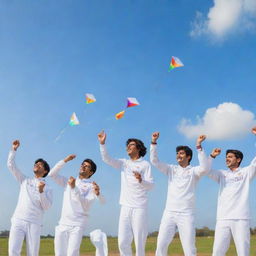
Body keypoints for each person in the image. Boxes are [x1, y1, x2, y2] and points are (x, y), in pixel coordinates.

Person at [150, 132, 209, 256]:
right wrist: (154, 142)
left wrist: (198, 146)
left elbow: (205, 168)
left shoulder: (194, 171)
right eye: (177, 153)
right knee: (161, 245)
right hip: (169, 212)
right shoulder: (171, 169)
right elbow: (154, 161)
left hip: (186, 214)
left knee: (189, 248)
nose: (178, 155)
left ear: (188, 156)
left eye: (181, 153)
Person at [98, 130, 154, 256]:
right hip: (125, 206)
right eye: (127, 145)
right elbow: (107, 159)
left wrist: (141, 180)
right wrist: (102, 144)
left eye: (131, 145)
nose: (128, 147)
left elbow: (151, 185)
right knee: (122, 242)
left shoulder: (145, 164)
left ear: (138, 148)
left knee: (139, 242)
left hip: (140, 207)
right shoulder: (124, 163)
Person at [208, 127, 256, 256]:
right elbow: (205, 169)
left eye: (230, 157)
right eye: (226, 157)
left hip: (241, 218)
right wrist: (212, 156)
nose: (226, 159)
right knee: (217, 252)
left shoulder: (246, 172)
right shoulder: (221, 174)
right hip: (223, 218)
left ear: (238, 159)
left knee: (243, 252)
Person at [48, 154, 104, 256]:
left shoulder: (92, 186)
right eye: (82, 164)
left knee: (72, 254)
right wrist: (65, 160)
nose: (83, 166)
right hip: (63, 223)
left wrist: (74, 188)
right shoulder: (69, 181)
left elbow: (86, 205)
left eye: (86, 166)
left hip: (77, 225)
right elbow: (52, 174)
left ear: (91, 172)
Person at [7, 140, 52, 256]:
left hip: (35, 223)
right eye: (36, 163)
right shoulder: (25, 180)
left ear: (45, 171)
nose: (36, 165)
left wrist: (41, 192)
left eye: (40, 164)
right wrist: (14, 149)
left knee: (32, 253)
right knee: (13, 251)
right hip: (18, 219)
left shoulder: (48, 188)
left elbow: (46, 207)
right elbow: (11, 166)